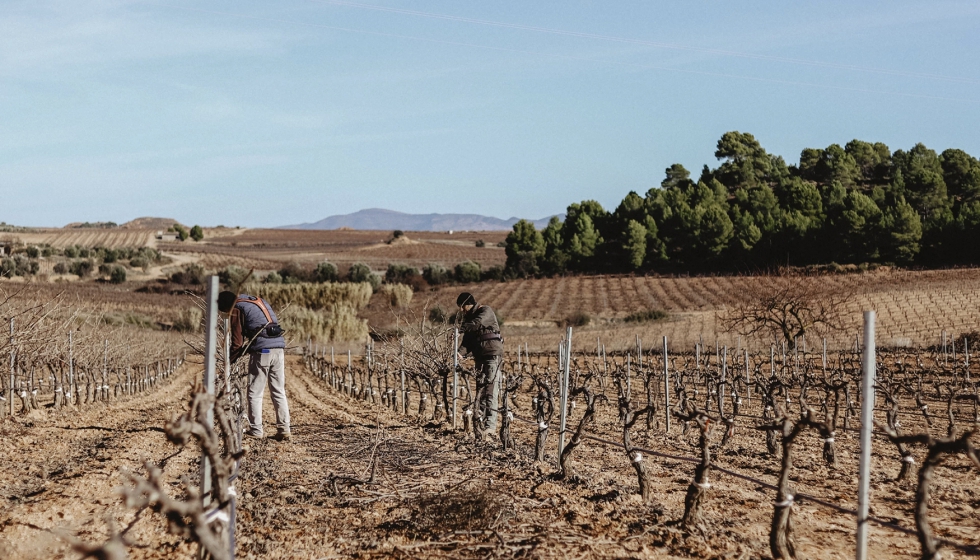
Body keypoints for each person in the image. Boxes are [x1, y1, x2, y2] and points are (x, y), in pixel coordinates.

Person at [218, 291, 291, 442]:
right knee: (278, 391)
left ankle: (256, 430)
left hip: (263, 351)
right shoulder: (254, 301)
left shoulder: (237, 308)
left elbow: (237, 343)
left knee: (254, 392)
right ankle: (284, 429)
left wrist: (228, 363)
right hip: (278, 348)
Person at [455, 292, 503, 439]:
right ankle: (480, 422)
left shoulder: (485, 311)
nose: (462, 310)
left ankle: (490, 426)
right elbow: (467, 342)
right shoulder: (469, 320)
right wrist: (460, 353)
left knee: (490, 391)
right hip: (479, 357)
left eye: (462, 307)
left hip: (492, 356)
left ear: (469, 303)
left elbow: (478, 323)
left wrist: (461, 328)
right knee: (480, 392)